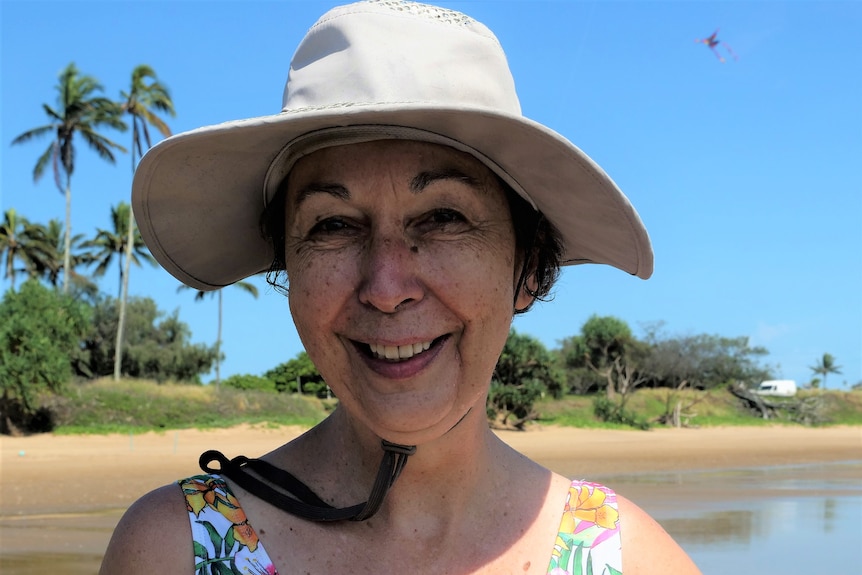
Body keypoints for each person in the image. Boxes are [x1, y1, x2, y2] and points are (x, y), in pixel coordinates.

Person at [100, 2, 702, 574]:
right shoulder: (173, 550)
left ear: (532, 268)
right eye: (333, 226)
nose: (386, 288)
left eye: (443, 217)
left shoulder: (626, 558)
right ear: (288, 267)